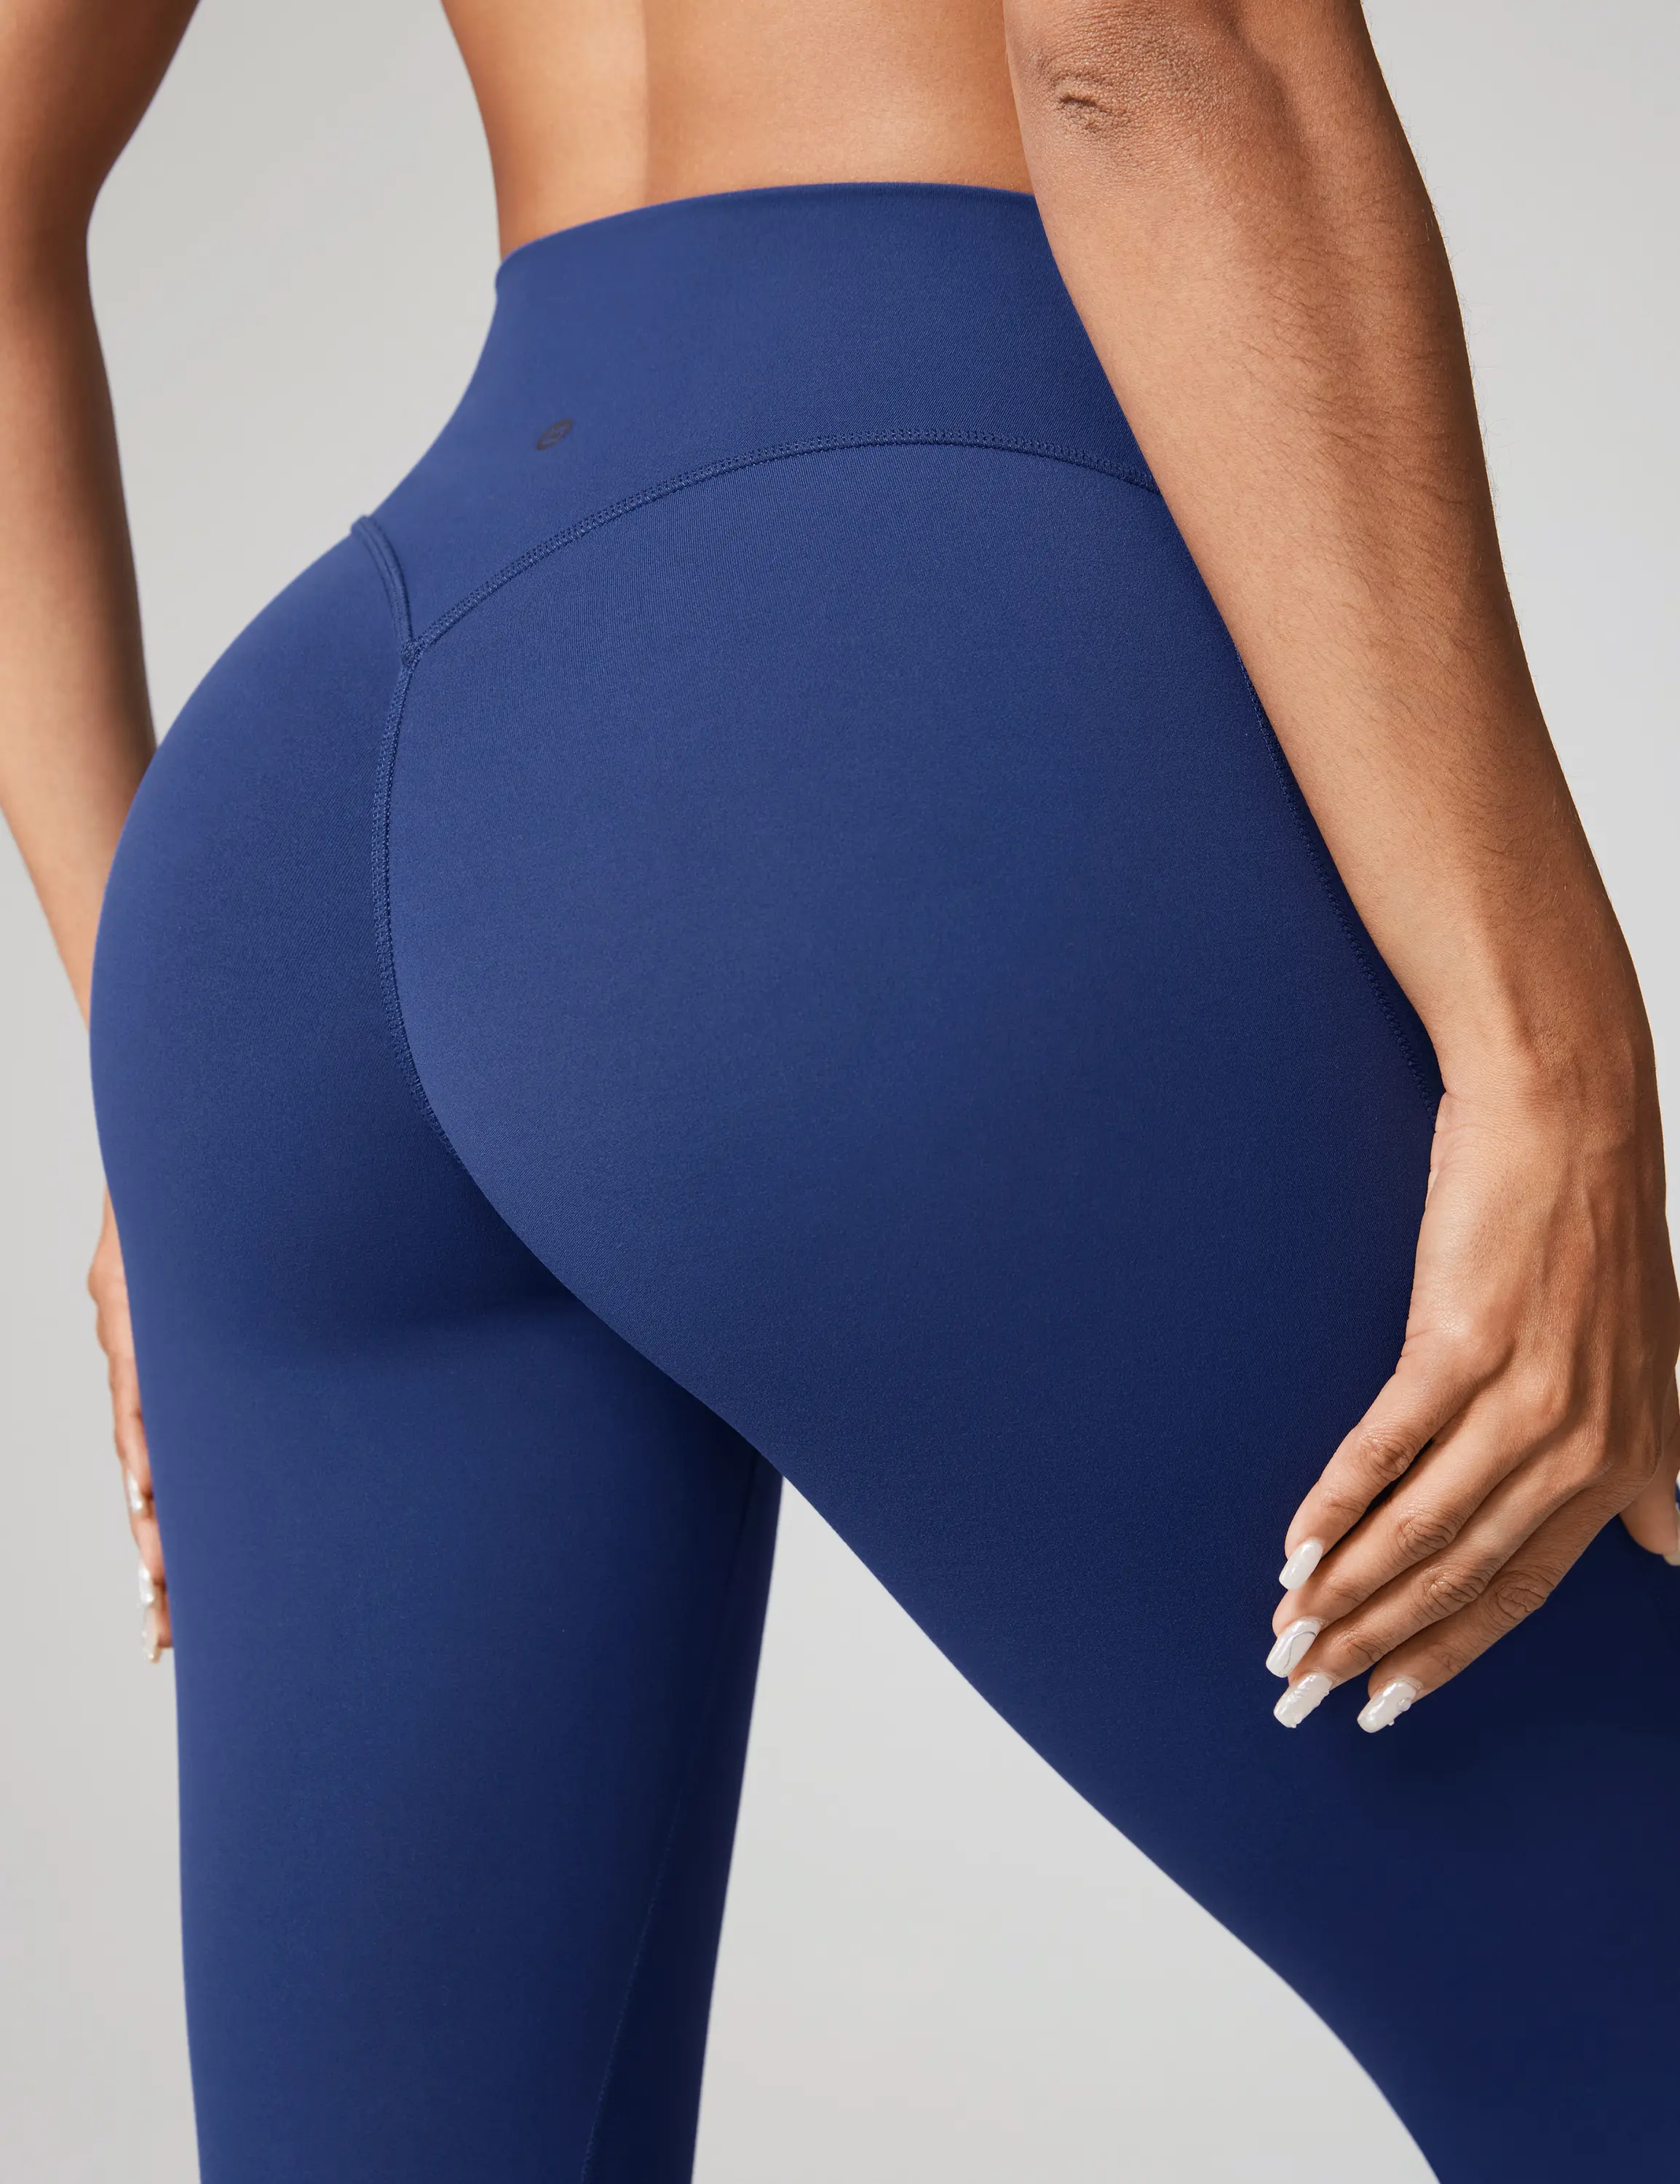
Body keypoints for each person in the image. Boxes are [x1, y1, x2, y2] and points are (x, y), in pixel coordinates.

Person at [2, 1, 1676, 2177]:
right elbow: (1160, 47)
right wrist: (1550, 1054)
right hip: (877, 675)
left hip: (307, 835)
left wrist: (144, 1075)